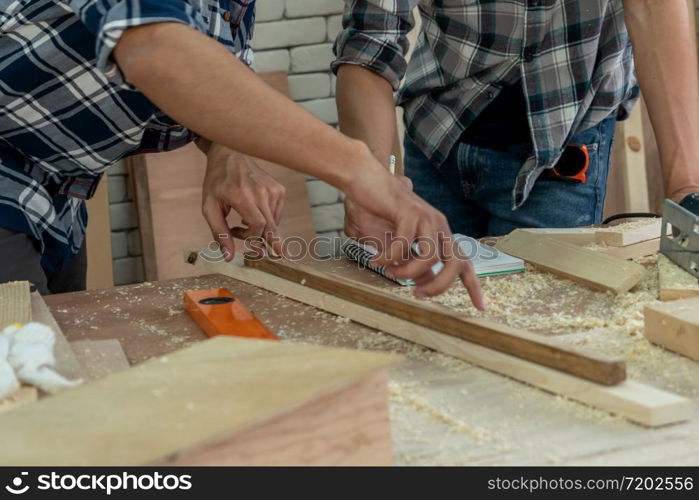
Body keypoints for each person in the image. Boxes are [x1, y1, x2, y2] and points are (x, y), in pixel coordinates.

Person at [0, 1, 484, 308]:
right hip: (10, 178)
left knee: (55, 365)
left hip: (57, 197)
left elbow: (214, 70)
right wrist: (360, 169)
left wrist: (225, 150)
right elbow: (154, 46)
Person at [333, 0, 699, 239]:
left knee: (543, 330)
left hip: (561, 149)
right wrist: (380, 181)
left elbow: (655, 6)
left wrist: (687, 186)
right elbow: (371, 40)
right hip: (439, 134)